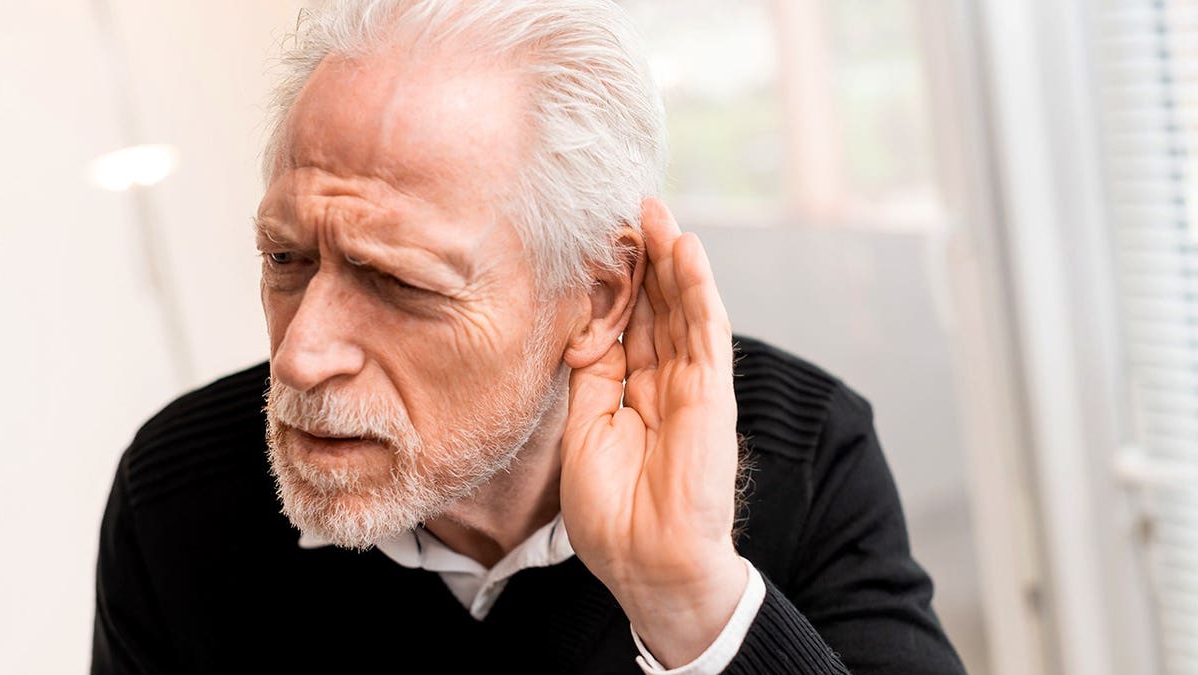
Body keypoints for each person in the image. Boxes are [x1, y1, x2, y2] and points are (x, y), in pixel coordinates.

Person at [92, 1, 966, 673]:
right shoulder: (177, 493)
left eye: (399, 281)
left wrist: (693, 605)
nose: (300, 355)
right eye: (286, 257)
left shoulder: (800, 452)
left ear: (596, 298)